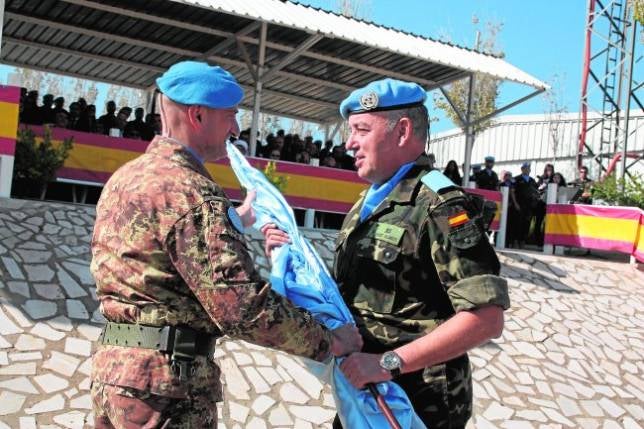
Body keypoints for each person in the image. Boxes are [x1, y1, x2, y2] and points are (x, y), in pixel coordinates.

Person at [90, 61, 361, 428]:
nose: (236, 128)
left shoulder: (127, 178)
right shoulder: (192, 192)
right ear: (198, 115)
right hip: (165, 390)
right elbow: (242, 309)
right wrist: (330, 341)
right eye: (231, 115)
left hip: (117, 375)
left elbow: (162, 252)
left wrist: (238, 219)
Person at [264, 78, 509, 429]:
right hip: (364, 398)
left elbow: (486, 318)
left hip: (418, 407)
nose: (349, 143)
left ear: (403, 131)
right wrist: (291, 257)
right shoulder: (368, 202)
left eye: (361, 130)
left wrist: (387, 363)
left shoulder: (440, 205)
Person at [513, 162, 540, 248]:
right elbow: (512, 192)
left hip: (529, 206)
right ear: (522, 169)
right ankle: (516, 240)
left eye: (528, 168)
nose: (527, 169)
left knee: (527, 223)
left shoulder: (532, 180)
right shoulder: (516, 179)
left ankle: (522, 240)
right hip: (520, 204)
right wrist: (515, 203)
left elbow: (536, 191)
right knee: (518, 223)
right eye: (525, 168)